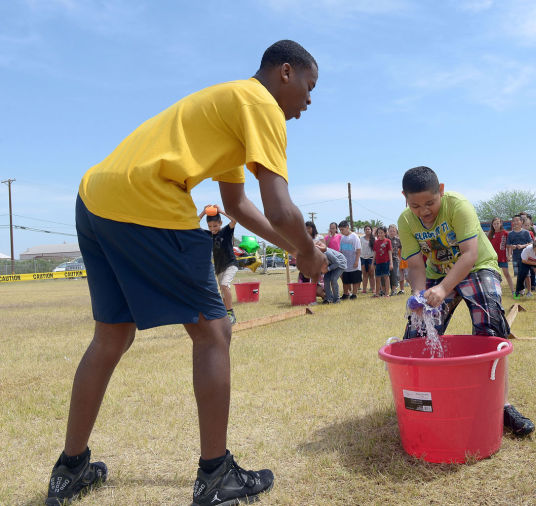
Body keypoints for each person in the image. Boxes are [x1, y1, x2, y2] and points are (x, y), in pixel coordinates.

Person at [46, 40, 325, 506]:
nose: (309, 101)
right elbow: (279, 206)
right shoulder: (261, 105)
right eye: (309, 86)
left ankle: (69, 470)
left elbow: (237, 205)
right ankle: (216, 477)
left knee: (111, 335)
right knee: (214, 331)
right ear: (284, 72)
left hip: (95, 195)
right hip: (147, 196)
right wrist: (307, 251)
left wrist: (293, 249)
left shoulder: (230, 108)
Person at [397, 166, 534, 437]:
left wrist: (445, 289)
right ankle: (422, 401)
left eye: (430, 203)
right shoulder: (405, 221)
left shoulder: (458, 206)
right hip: (438, 274)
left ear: (442, 191)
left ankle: (501, 405)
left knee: (491, 325)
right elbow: (415, 265)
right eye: (415, 205)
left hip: (477, 267)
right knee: (416, 332)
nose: (424, 211)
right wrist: (419, 295)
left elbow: (469, 255)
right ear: (404, 197)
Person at [199, 205, 238, 324]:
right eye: (210, 226)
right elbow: (193, 225)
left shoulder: (226, 231)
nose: (212, 229)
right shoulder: (208, 234)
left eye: (215, 226)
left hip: (231, 263)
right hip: (219, 268)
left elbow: (234, 220)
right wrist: (203, 213)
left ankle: (231, 313)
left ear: (220, 223)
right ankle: (226, 315)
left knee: (225, 285)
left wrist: (221, 211)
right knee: (223, 293)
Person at [487, 217, 515, 295]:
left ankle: (513, 291)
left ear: (501, 223)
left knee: (506, 274)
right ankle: (496, 291)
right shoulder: (490, 234)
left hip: (503, 257)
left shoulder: (505, 233)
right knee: (494, 275)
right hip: (493, 258)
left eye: (497, 223)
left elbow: (509, 245)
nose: (496, 225)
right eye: (494, 224)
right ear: (492, 225)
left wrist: (509, 255)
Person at [506, 216, 533, 296]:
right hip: (516, 257)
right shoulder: (510, 234)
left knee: (527, 275)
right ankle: (521, 290)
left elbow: (531, 243)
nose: (515, 222)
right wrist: (512, 247)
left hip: (525, 257)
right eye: (514, 221)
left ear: (521, 222)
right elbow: (507, 245)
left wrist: (522, 246)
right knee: (519, 275)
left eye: (517, 220)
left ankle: (529, 291)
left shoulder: (526, 232)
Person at [338, 220, 361, 299]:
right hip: (345, 262)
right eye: (340, 230)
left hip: (354, 261)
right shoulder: (342, 237)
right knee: (345, 280)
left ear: (347, 227)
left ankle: (354, 294)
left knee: (354, 279)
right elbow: (340, 250)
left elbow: (358, 250)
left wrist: (357, 261)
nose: (341, 231)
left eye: (342, 229)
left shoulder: (354, 236)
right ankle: (345, 294)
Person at [360, 225, 376, 294]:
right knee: (365, 274)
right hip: (363, 258)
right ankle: (364, 290)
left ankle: (373, 289)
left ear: (371, 230)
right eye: (366, 229)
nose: (367, 230)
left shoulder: (374, 239)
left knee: (372, 274)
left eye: (368, 229)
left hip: (371, 258)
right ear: (364, 230)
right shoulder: (361, 238)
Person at [387, 224, 403, 295]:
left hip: (395, 259)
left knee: (395, 275)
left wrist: (401, 257)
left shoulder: (398, 240)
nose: (392, 232)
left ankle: (394, 290)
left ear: (396, 232)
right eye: (390, 231)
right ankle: (385, 290)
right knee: (386, 275)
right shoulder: (385, 239)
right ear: (388, 231)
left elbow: (401, 247)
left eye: (393, 231)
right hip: (386, 260)